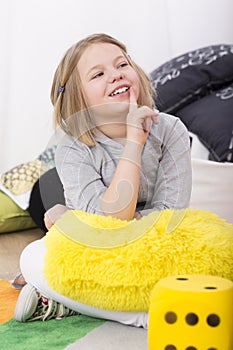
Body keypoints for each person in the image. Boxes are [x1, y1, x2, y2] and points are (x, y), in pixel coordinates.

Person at [14, 33, 192, 328]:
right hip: (97, 246)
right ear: (77, 97)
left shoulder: (170, 130)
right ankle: (144, 315)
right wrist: (135, 141)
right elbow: (105, 222)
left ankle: (67, 301)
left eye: (122, 64)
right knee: (32, 257)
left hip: (154, 244)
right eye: (98, 74)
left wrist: (84, 218)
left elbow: (172, 213)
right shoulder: (72, 147)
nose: (116, 74)